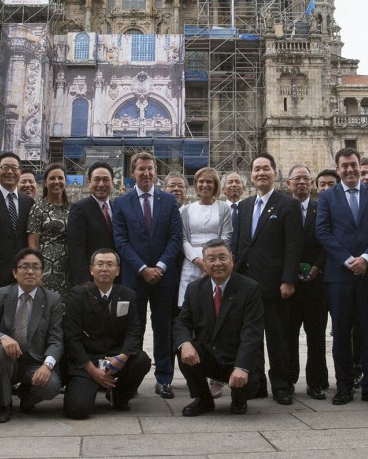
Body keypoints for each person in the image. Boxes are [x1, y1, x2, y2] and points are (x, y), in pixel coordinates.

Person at [315, 147, 368, 407]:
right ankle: (344, 386)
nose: (349, 169)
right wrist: (349, 261)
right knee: (341, 333)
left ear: (361, 166)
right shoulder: (327, 197)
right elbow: (323, 232)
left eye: (353, 165)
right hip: (340, 276)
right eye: (344, 166)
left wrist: (366, 259)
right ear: (338, 169)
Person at [112, 152, 184, 399]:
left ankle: (164, 378)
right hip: (134, 277)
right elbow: (120, 241)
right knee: (134, 328)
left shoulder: (168, 200)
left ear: (156, 171)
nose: (146, 173)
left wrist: (161, 266)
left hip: (165, 277)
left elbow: (176, 237)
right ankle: (131, 380)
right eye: (141, 169)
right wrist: (143, 268)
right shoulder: (121, 203)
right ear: (133, 172)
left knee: (164, 328)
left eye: (150, 169)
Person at [231, 153, 299, 405]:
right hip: (247, 284)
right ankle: (256, 382)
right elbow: (240, 245)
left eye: (266, 169)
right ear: (251, 175)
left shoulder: (287, 205)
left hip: (275, 284)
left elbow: (293, 245)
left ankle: (282, 385)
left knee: (278, 337)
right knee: (251, 337)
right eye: (257, 169)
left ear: (274, 172)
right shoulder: (245, 206)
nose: (261, 173)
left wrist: (288, 279)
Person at [174, 239, 265, 416]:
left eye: (222, 258)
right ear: (204, 263)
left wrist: (242, 367)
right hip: (210, 356)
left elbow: (252, 332)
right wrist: (185, 343)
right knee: (182, 348)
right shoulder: (194, 289)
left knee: (247, 381)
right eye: (211, 259)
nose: (217, 263)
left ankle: (239, 398)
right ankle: (203, 399)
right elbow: (182, 322)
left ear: (232, 259)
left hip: (239, 358)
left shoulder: (250, 288)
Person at [62, 249, 151, 419]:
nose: (104, 269)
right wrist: (92, 370)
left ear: (117, 270)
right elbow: (71, 338)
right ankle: (91, 386)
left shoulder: (128, 294)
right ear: (91, 269)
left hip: (115, 359)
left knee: (141, 360)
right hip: (88, 360)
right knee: (78, 410)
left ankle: (120, 397)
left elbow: (134, 331)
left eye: (110, 265)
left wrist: (123, 356)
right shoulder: (77, 295)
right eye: (100, 264)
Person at [0, 248, 63, 423]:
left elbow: (56, 339)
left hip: (34, 360)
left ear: (42, 272)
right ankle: (5, 403)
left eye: (36, 267)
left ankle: (27, 395)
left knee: (51, 386)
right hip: (6, 359)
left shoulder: (52, 299)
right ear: (14, 273)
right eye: (24, 267)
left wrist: (47, 365)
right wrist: (3, 338)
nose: (30, 271)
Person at [288, 165, 329, 400]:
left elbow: (327, 240)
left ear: (312, 184)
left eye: (306, 179)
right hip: (291, 283)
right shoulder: (283, 208)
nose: (302, 183)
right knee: (289, 335)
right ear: (289, 184)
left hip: (316, 282)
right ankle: (290, 378)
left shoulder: (320, 209)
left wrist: (317, 266)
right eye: (297, 179)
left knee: (316, 336)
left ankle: (316, 381)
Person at [178, 167, 232, 307]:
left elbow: (226, 236)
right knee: (190, 305)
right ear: (195, 184)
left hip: (216, 261)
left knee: (214, 305)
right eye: (201, 181)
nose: (204, 185)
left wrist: (211, 261)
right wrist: (200, 262)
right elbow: (183, 238)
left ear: (215, 185)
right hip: (191, 261)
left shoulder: (224, 208)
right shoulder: (187, 209)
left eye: (209, 181)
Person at [0, 152, 34, 288]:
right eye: (5, 167)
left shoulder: (29, 202)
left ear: (20, 172)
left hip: (24, 270)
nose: (10, 172)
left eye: (14, 168)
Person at [66, 162, 117, 286]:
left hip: (115, 278)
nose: (101, 184)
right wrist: (83, 280)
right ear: (90, 182)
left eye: (106, 180)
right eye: (96, 180)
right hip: (91, 279)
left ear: (112, 182)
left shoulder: (117, 208)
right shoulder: (79, 208)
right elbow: (76, 248)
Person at [26, 162, 71, 296]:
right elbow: (33, 245)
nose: (57, 181)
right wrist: (35, 271)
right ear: (45, 183)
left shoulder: (72, 208)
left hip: (69, 268)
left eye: (60, 178)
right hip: (46, 268)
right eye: (52, 178)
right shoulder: (38, 208)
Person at [222, 172, 245, 243]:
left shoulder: (250, 209)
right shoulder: (219, 210)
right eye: (230, 182)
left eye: (237, 182)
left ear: (243, 188)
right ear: (223, 189)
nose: (234, 185)